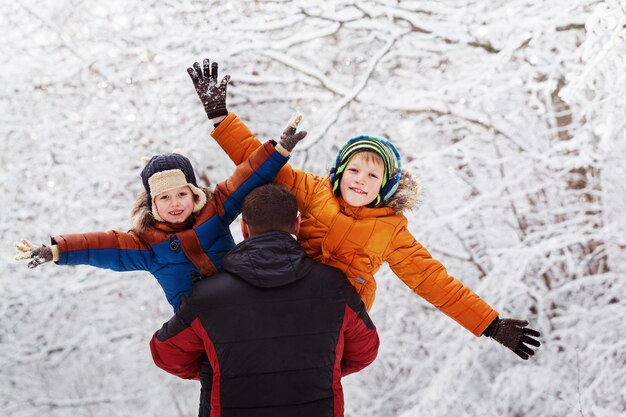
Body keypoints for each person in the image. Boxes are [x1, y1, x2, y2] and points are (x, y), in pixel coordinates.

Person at [187, 58, 541, 360]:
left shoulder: (391, 231)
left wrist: (490, 324)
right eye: (353, 170)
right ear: (340, 173)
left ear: (385, 186)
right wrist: (221, 118)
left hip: (335, 312)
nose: (360, 180)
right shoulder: (313, 191)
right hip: (289, 292)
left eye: (373, 175)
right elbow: (259, 165)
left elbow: (434, 282)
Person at [150, 183, 379, 417]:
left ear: (244, 227)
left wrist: (221, 365)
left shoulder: (208, 297)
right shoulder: (333, 287)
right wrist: (320, 366)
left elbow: (166, 353)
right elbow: (365, 350)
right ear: (297, 225)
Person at [14, 131, 303, 313]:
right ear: (152, 204)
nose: (174, 203)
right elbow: (103, 246)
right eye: (164, 198)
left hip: (244, 303)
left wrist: (277, 152)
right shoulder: (145, 245)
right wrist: (57, 250)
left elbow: (245, 178)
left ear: (195, 194)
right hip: (200, 323)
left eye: (181, 194)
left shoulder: (214, 211)